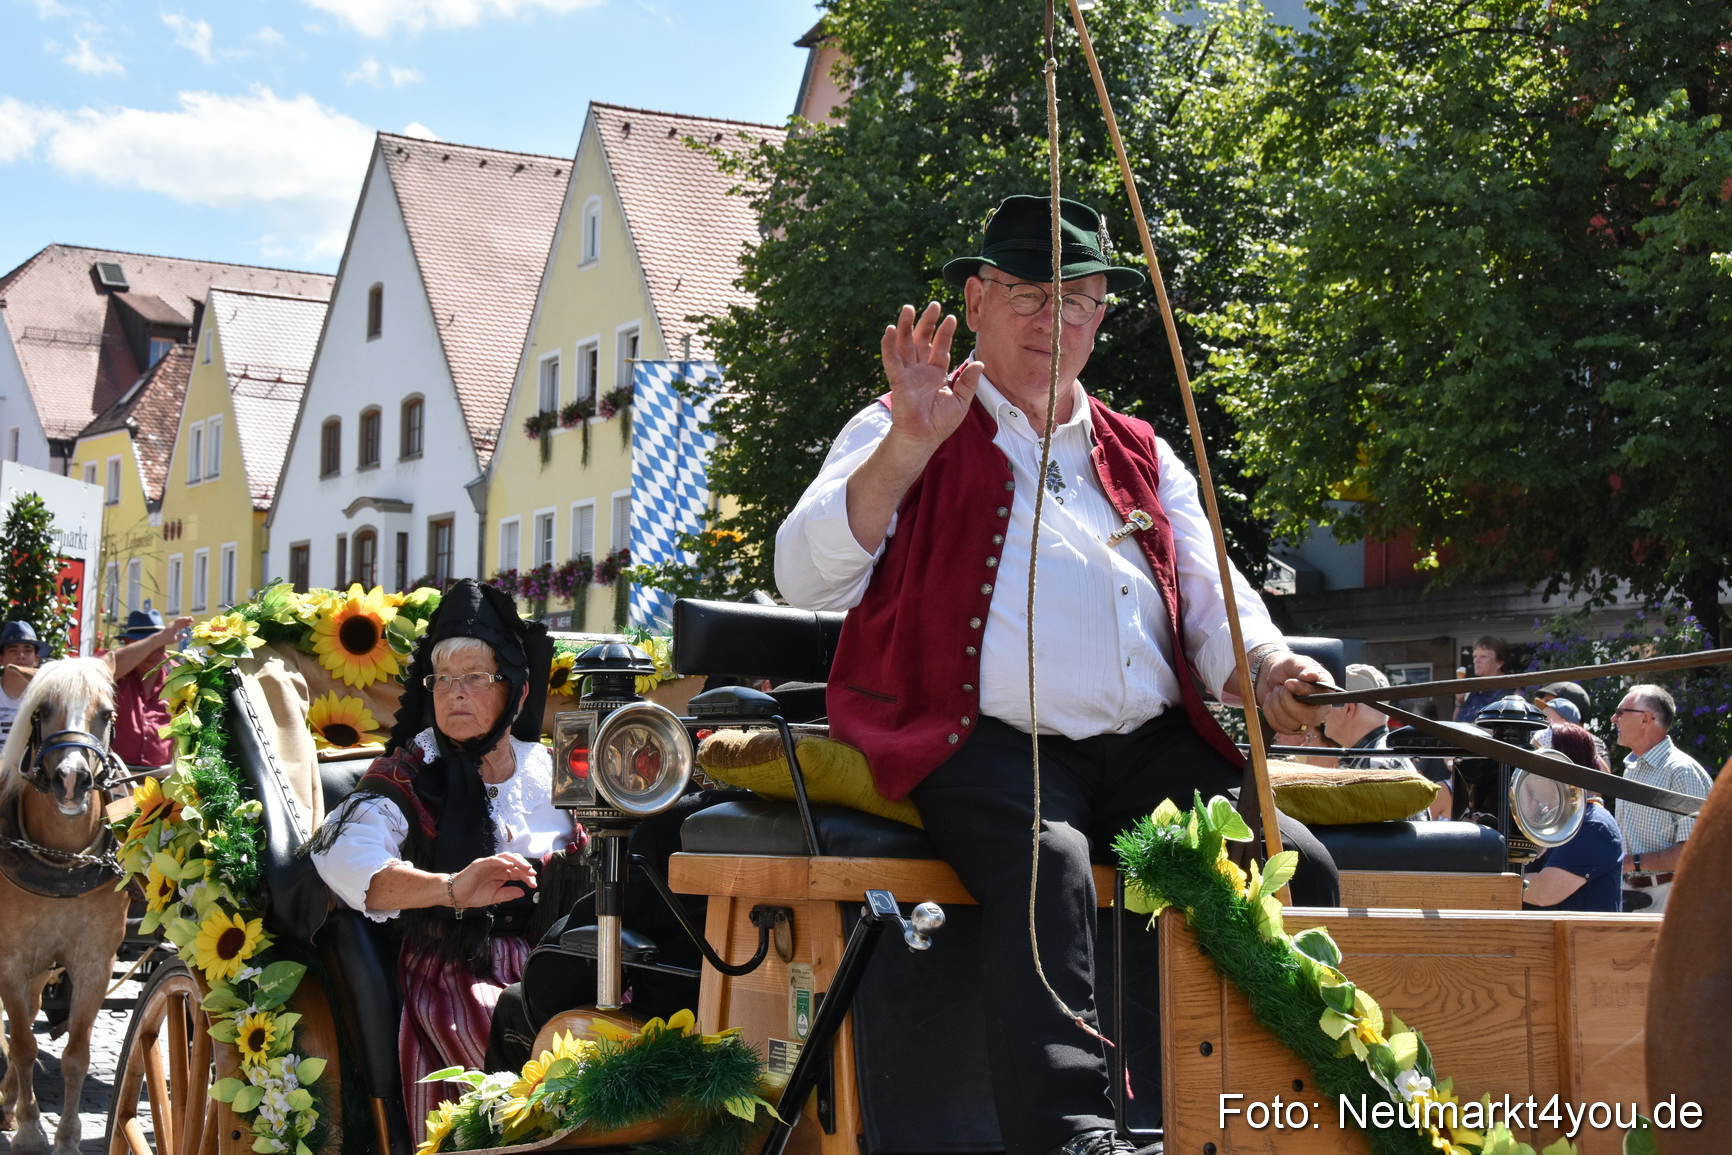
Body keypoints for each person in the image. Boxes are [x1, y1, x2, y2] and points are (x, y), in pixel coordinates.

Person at [776, 194, 1339, 1155]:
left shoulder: (1142, 448)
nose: (1055, 322)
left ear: (1103, 317)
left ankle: (1286, 1112)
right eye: (1030, 295)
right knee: (1052, 861)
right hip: (981, 742)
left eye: (1077, 300)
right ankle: (1074, 1138)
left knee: (1298, 864)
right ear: (977, 300)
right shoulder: (904, 419)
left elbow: (1211, 597)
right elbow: (802, 574)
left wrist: (1270, 664)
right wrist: (909, 445)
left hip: (1148, 749)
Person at [308, 579, 575, 1137]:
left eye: (475, 677)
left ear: (517, 694)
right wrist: (451, 888)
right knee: (526, 1075)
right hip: (455, 969)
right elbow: (345, 861)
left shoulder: (556, 771)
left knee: (632, 1036)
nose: (456, 692)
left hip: (566, 962)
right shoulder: (407, 773)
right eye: (444, 680)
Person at [1610, 684, 1712, 913]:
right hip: (1630, 896)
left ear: (1645, 719)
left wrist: (1631, 862)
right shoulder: (1632, 768)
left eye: (1620, 712)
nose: (1613, 718)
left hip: (1672, 899)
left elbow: (1693, 853)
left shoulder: (1682, 771)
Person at [1520, 723, 1623, 912]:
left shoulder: (1594, 825)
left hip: (1582, 940)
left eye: (1536, 763)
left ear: (1559, 768)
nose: (1527, 773)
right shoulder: (1550, 818)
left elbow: (1545, 891)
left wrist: (1490, 885)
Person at [104, 609, 194, 771]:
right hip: (116, 775)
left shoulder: (178, 675)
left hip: (164, 775)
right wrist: (157, 639)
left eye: (160, 645)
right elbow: (109, 668)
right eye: (145, 644)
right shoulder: (116, 670)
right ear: (127, 643)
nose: (153, 650)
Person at [1320, 664, 1414, 772]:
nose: (1323, 710)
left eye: (1329, 702)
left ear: (1349, 709)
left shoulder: (1378, 764)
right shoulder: (1376, 757)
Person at [0, 620, 48, 745]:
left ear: (36, 659)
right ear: (1, 658)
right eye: (13, 650)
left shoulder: (45, 698)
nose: (21, 655)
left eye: (28, 650)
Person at [1454, 635, 1513, 722]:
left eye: (1483, 656)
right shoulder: (1474, 690)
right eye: (1475, 656)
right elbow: (1456, 724)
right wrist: (1459, 702)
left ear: (1499, 663)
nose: (1476, 661)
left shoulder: (1510, 693)